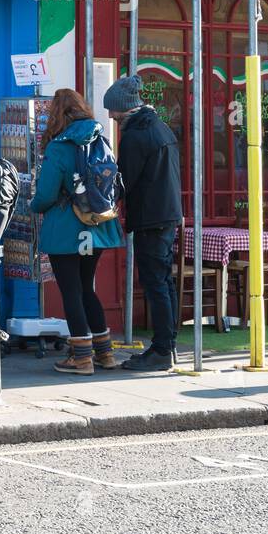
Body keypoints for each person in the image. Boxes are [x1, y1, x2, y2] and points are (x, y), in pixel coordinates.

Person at [30, 89, 125, 374]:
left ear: (56, 114)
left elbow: (46, 193)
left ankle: (81, 358)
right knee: (86, 287)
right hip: (98, 223)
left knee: (71, 291)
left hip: (65, 227)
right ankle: (104, 353)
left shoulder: (59, 146)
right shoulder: (101, 138)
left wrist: (34, 205)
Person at [105, 74, 182, 372]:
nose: (111, 115)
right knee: (164, 281)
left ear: (124, 108)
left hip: (151, 216)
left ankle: (162, 350)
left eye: (113, 110)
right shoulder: (160, 128)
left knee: (156, 283)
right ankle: (168, 345)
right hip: (166, 214)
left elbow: (124, 181)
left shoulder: (136, 136)